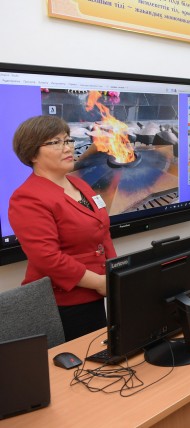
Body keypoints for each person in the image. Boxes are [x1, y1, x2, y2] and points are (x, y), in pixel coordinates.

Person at [8, 115, 117, 341]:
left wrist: (115, 272)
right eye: (55, 142)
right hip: (62, 304)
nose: (67, 147)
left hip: (97, 291)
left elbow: (102, 231)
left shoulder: (79, 183)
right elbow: (47, 257)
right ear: (32, 154)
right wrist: (99, 282)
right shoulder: (27, 198)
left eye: (67, 140)